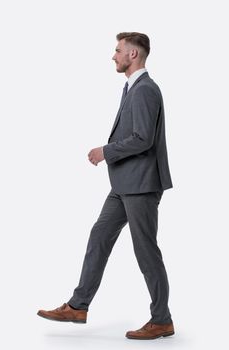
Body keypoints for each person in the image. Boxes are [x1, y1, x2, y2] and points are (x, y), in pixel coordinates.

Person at [37, 32, 174, 340]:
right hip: (124, 183)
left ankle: (162, 319)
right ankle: (78, 305)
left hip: (140, 185)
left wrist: (105, 152)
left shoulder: (144, 91)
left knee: (146, 251)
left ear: (133, 55)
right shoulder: (133, 89)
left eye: (118, 51)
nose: (114, 56)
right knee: (100, 235)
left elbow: (143, 139)